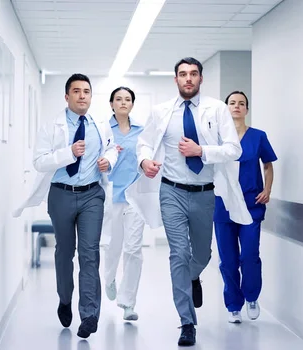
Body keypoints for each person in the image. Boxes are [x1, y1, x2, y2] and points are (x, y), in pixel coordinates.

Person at [126, 57, 252, 346]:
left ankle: (193, 276)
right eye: (183, 74)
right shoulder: (161, 112)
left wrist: (202, 150)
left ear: (201, 79)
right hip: (171, 191)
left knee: (203, 255)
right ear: (175, 80)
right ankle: (186, 322)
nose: (188, 79)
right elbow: (144, 143)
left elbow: (234, 149)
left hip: (205, 192)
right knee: (178, 254)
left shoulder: (217, 110)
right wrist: (145, 160)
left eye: (193, 74)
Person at [13, 73, 118, 339]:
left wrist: (108, 160)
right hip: (61, 194)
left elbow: (112, 149)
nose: (82, 96)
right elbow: (39, 161)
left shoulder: (100, 125)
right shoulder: (52, 126)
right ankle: (64, 298)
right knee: (64, 252)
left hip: (92, 195)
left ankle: (89, 314)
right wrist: (68, 153)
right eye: (77, 91)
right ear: (66, 96)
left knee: (89, 253)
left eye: (87, 91)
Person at [214, 91, 277, 324]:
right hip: (223, 205)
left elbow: (268, 165)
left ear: (247, 110)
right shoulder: (218, 138)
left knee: (249, 255)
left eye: (241, 103)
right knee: (228, 259)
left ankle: (251, 296)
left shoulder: (258, 136)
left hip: (252, 204)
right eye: (232, 103)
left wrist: (268, 189)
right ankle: (233, 305)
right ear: (226, 108)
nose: (237, 106)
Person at [101, 86, 145, 321]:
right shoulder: (104, 130)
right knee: (113, 246)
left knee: (134, 249)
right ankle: (109, 278)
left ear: (132, 104)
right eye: (118, 99)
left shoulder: (142, 131)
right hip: (112, 196)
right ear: (111, 104)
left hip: (135, 197)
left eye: (128, 99)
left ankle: (128, 303)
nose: (123, 103)